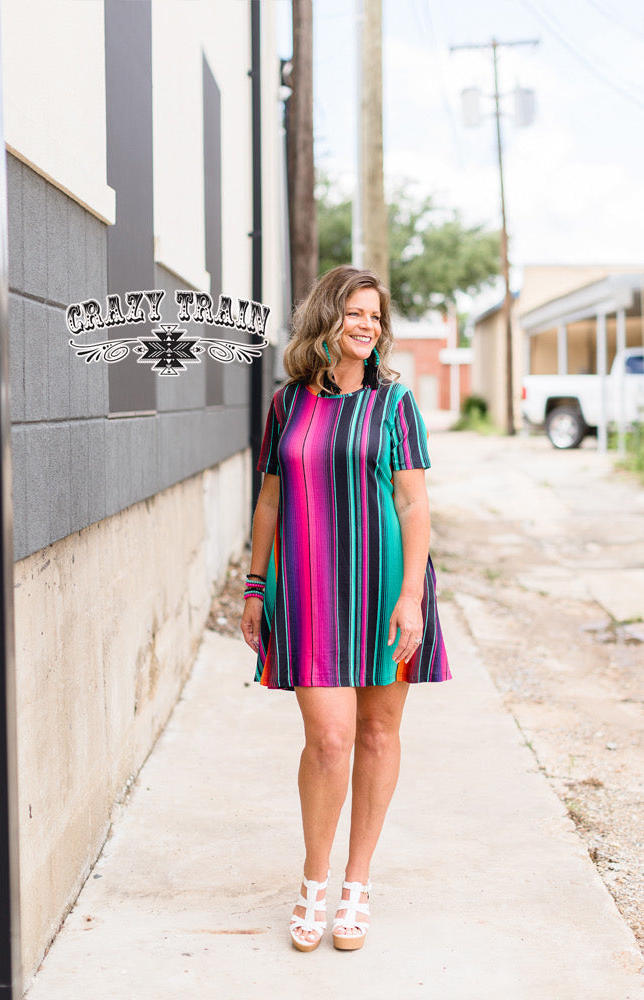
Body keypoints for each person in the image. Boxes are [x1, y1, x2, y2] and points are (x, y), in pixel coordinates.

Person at [241, 264, 451, 953]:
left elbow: (413, 503)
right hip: (306, 588)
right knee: (328, 739)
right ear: (326, 320)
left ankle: (356, 885)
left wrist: (413, 597)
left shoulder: (395, 405)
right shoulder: (286, 406)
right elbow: (270, 500)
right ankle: (314, 879)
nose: (368, 326)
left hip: (386, 586)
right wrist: (253, 584)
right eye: (355, 313)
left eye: (376, 317)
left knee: (377, 735)